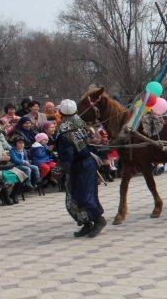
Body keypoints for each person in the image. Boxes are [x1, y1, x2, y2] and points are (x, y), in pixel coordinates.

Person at [57, 99, 106, 238]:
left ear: (61, 113)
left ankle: (98, 220)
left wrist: (60, 169)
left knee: (82, 196)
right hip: (86, 162)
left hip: (79, 165)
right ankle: (87, 223)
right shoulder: (82, 123)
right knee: (78, 196)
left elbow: (67, 154)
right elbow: (91, 140)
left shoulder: (63, 131)